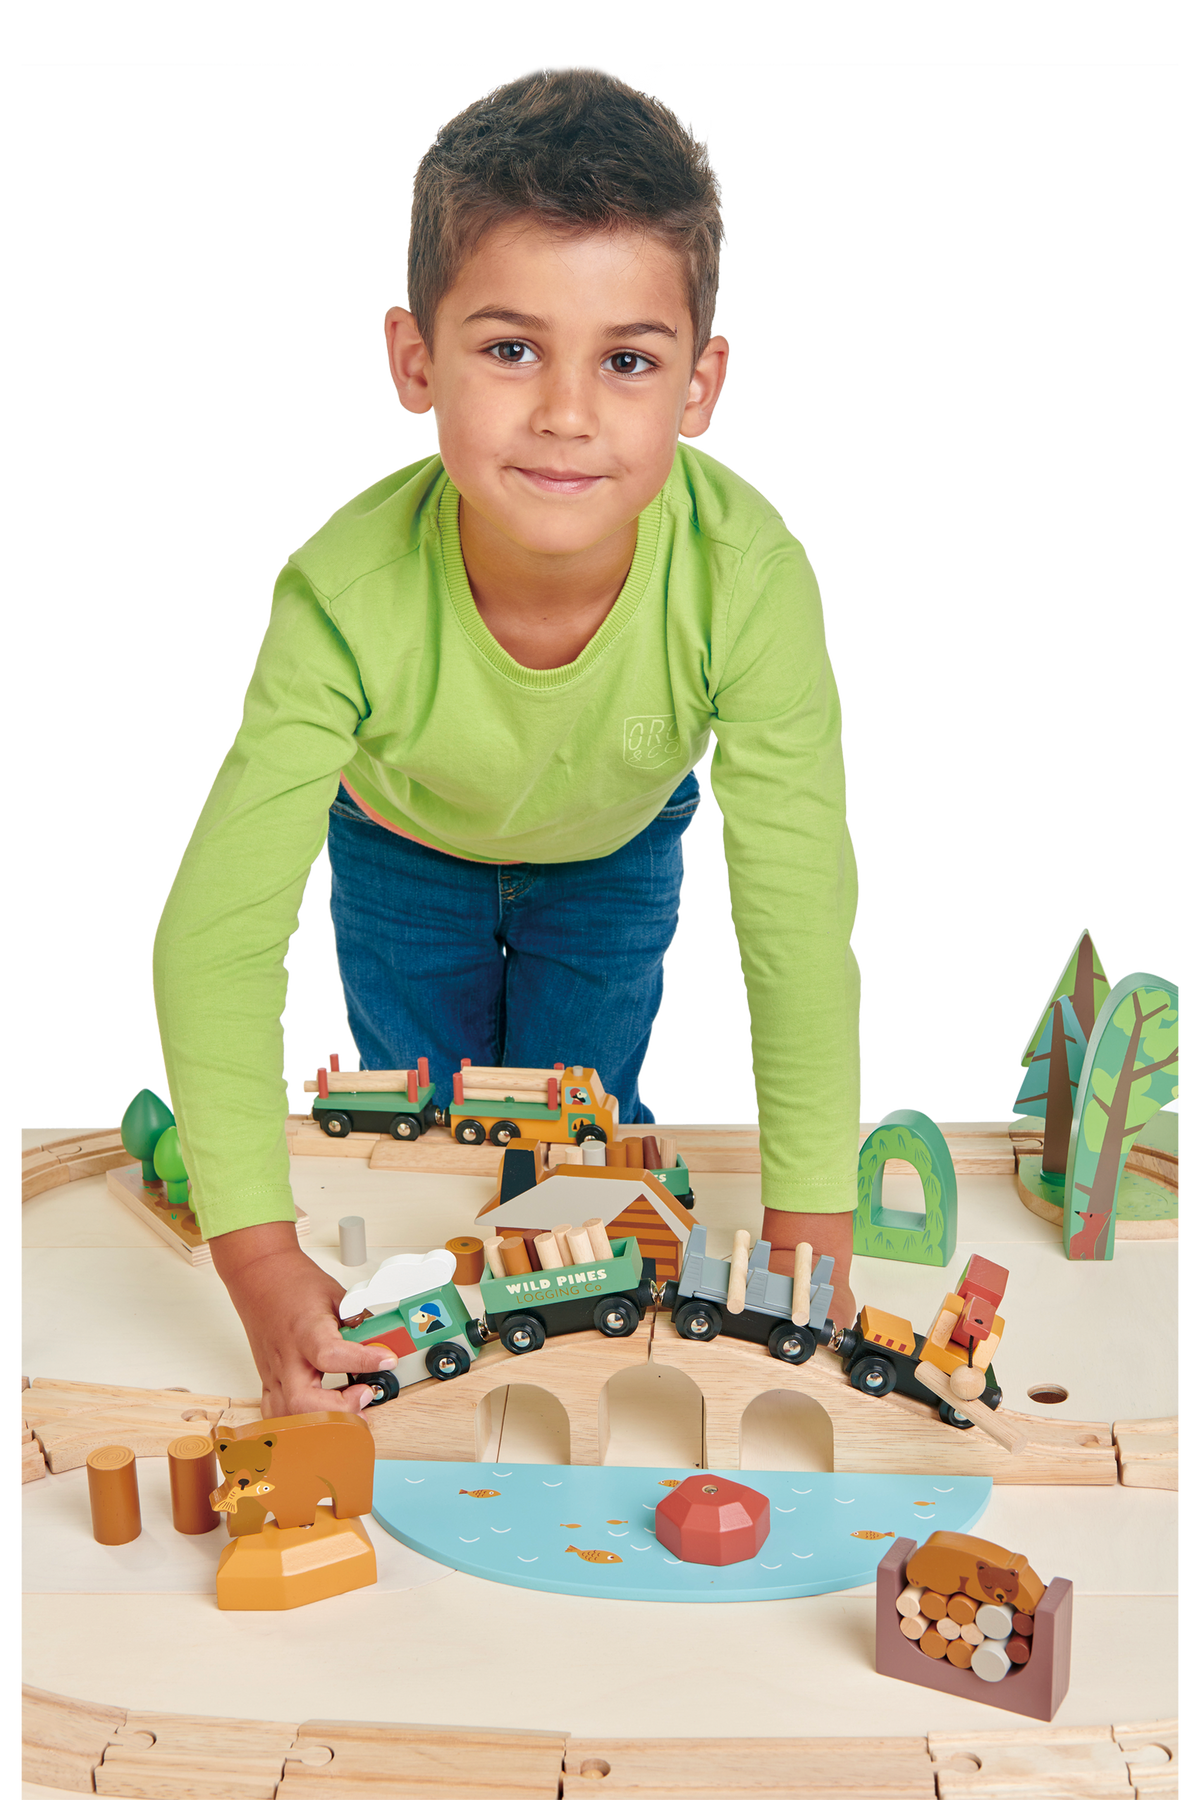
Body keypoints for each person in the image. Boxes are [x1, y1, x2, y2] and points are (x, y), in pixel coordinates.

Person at [150, 64, 863, 1420]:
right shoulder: (338, 593)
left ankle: (568, 1347)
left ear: (701, 383)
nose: (568, 413)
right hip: (401, 855)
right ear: (414, 358)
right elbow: (217, 936)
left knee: (585, 1141)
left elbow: (795, 912)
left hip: (612, 863)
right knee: (426, 1143)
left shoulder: (753, 575)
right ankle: (434, 1366)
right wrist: (254, 1255)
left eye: (629, 360)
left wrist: (809, 1235)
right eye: (512, 346)